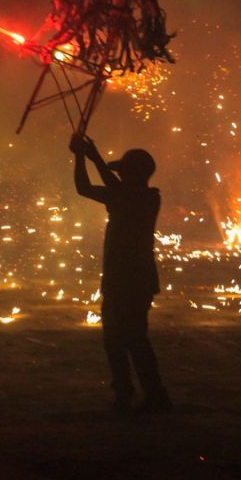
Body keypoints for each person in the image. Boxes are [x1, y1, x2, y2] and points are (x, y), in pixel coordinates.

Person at [70, 133, 171, 413]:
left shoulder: (148, 198)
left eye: (126, 171)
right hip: (119, 279)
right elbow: (83, 187)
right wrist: (80, 157)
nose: (122, 176)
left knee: (134, 338)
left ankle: (154, 394)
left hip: (134, 281)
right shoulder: (123, 195)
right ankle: (125, 392)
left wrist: (94, 157)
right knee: (114, 338)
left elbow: (117, 191)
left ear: (136, 175)